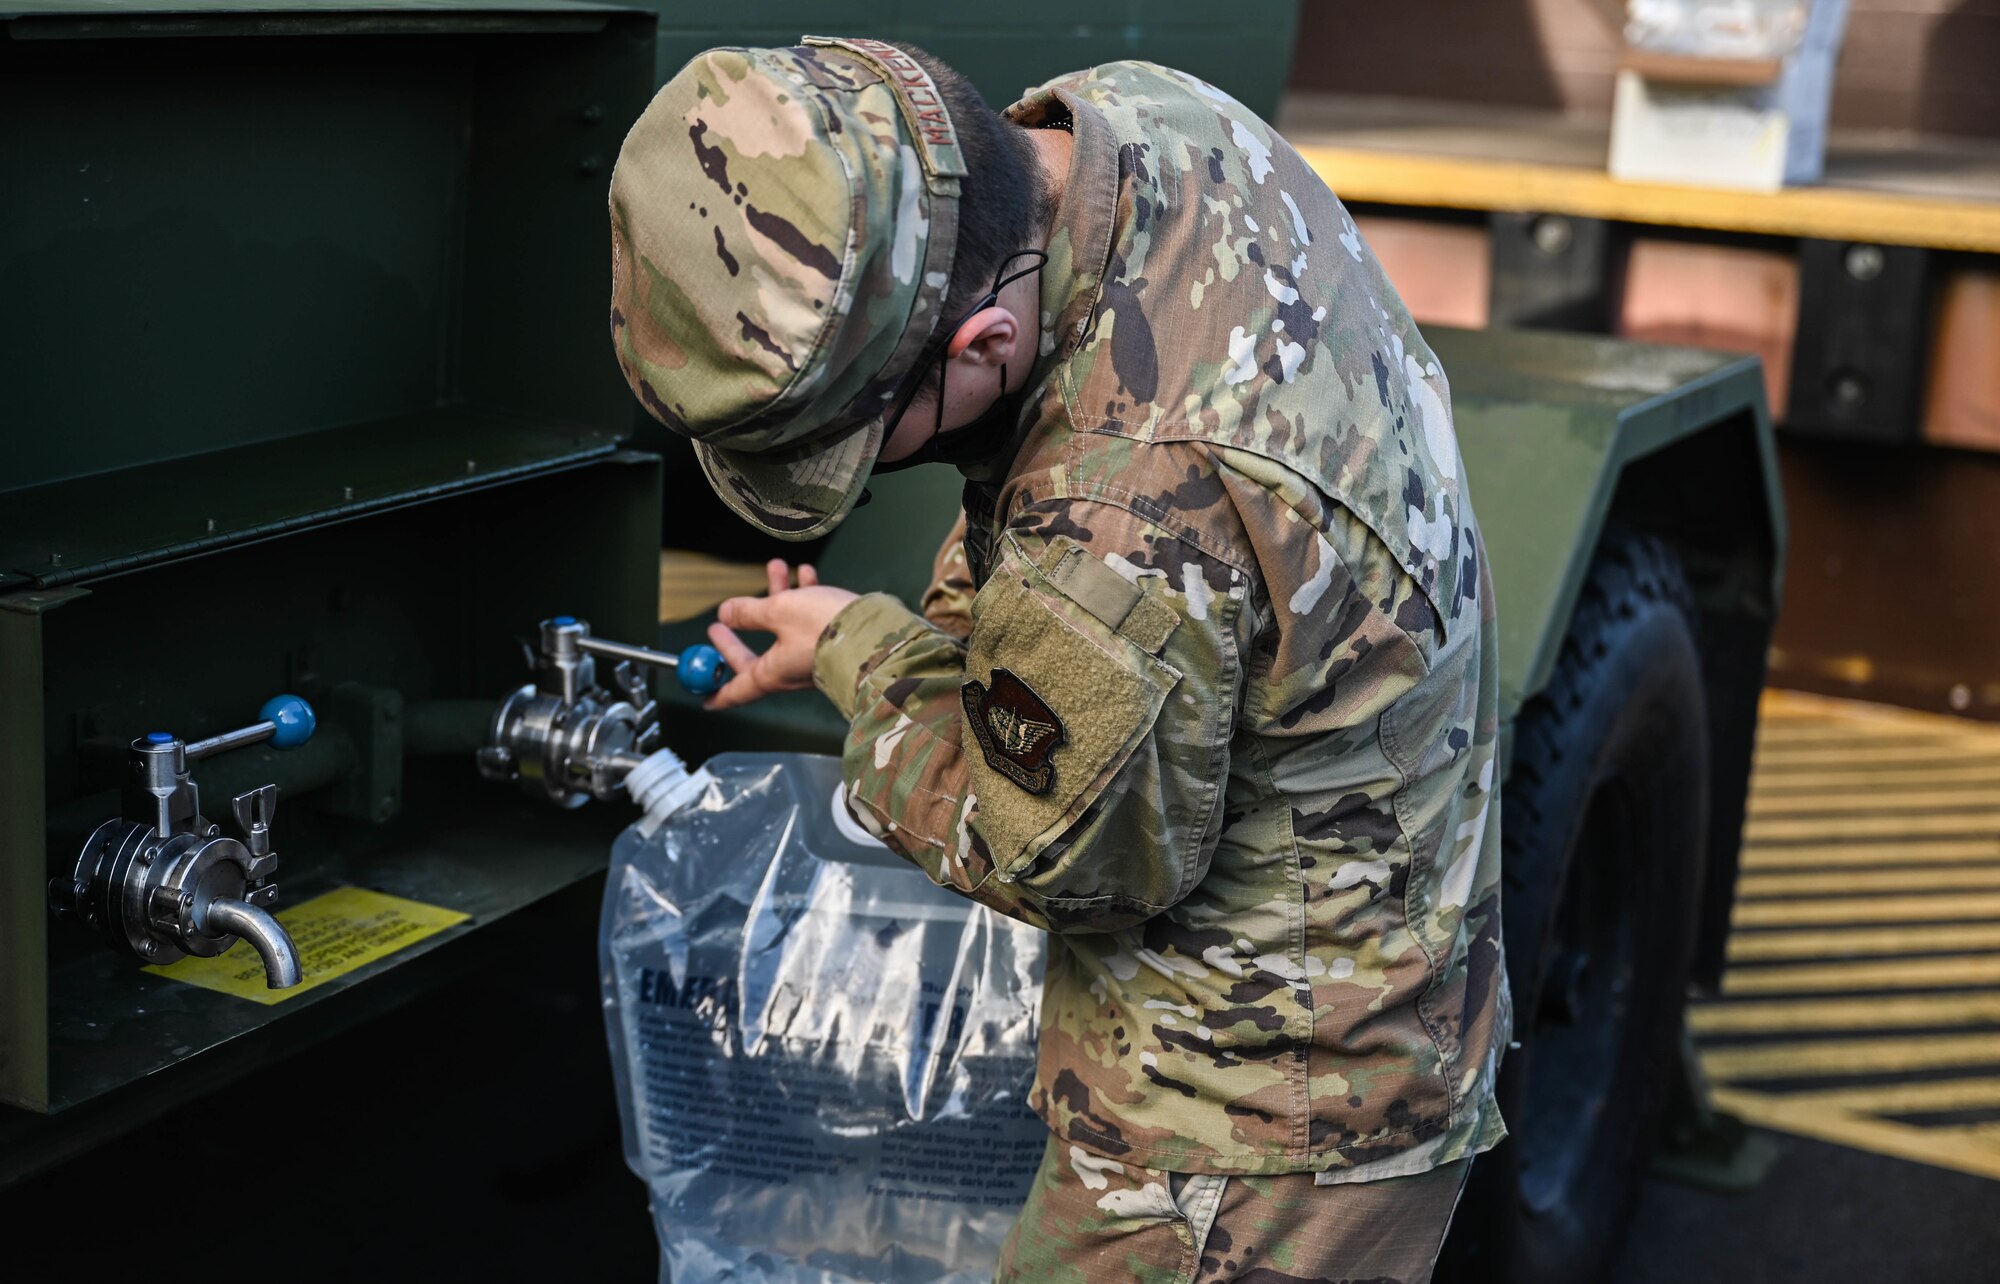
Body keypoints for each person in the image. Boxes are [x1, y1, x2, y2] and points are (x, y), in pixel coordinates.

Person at [608, 35, 1509, 1284]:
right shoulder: (1129, 125)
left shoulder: (1131, 515)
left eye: (873, 440)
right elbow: (1043, 480)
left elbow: (1063, 859)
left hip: (1244, 1138)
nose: (874, 474)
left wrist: (863, 656)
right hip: (1353, 994)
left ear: (979, 342)